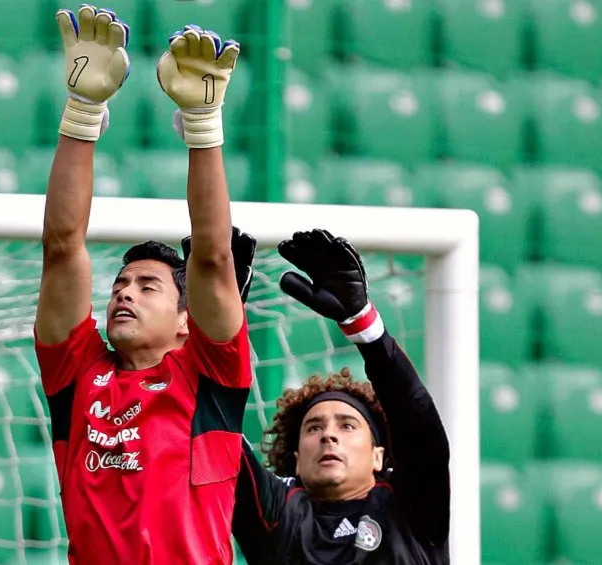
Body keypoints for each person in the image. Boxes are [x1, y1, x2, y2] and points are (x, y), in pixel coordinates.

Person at [33, 5, 254, 564]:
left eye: (148, 286)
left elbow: (210, 259)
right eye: (121, 284)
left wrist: (203, 126)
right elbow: (62, 248)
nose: (125, 292)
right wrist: (82, 111)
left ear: (187, 319)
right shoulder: (77, 370)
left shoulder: (210, 374)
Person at [232, 229, 451, 565]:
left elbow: (415, 419)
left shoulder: (410, 508)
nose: (328, 435)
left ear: (380, 458)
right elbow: (212, 431)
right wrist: (216, 319)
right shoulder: (279, 514)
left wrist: (363, 326)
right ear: (295, 460)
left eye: (347, 426)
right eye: (313, 428)